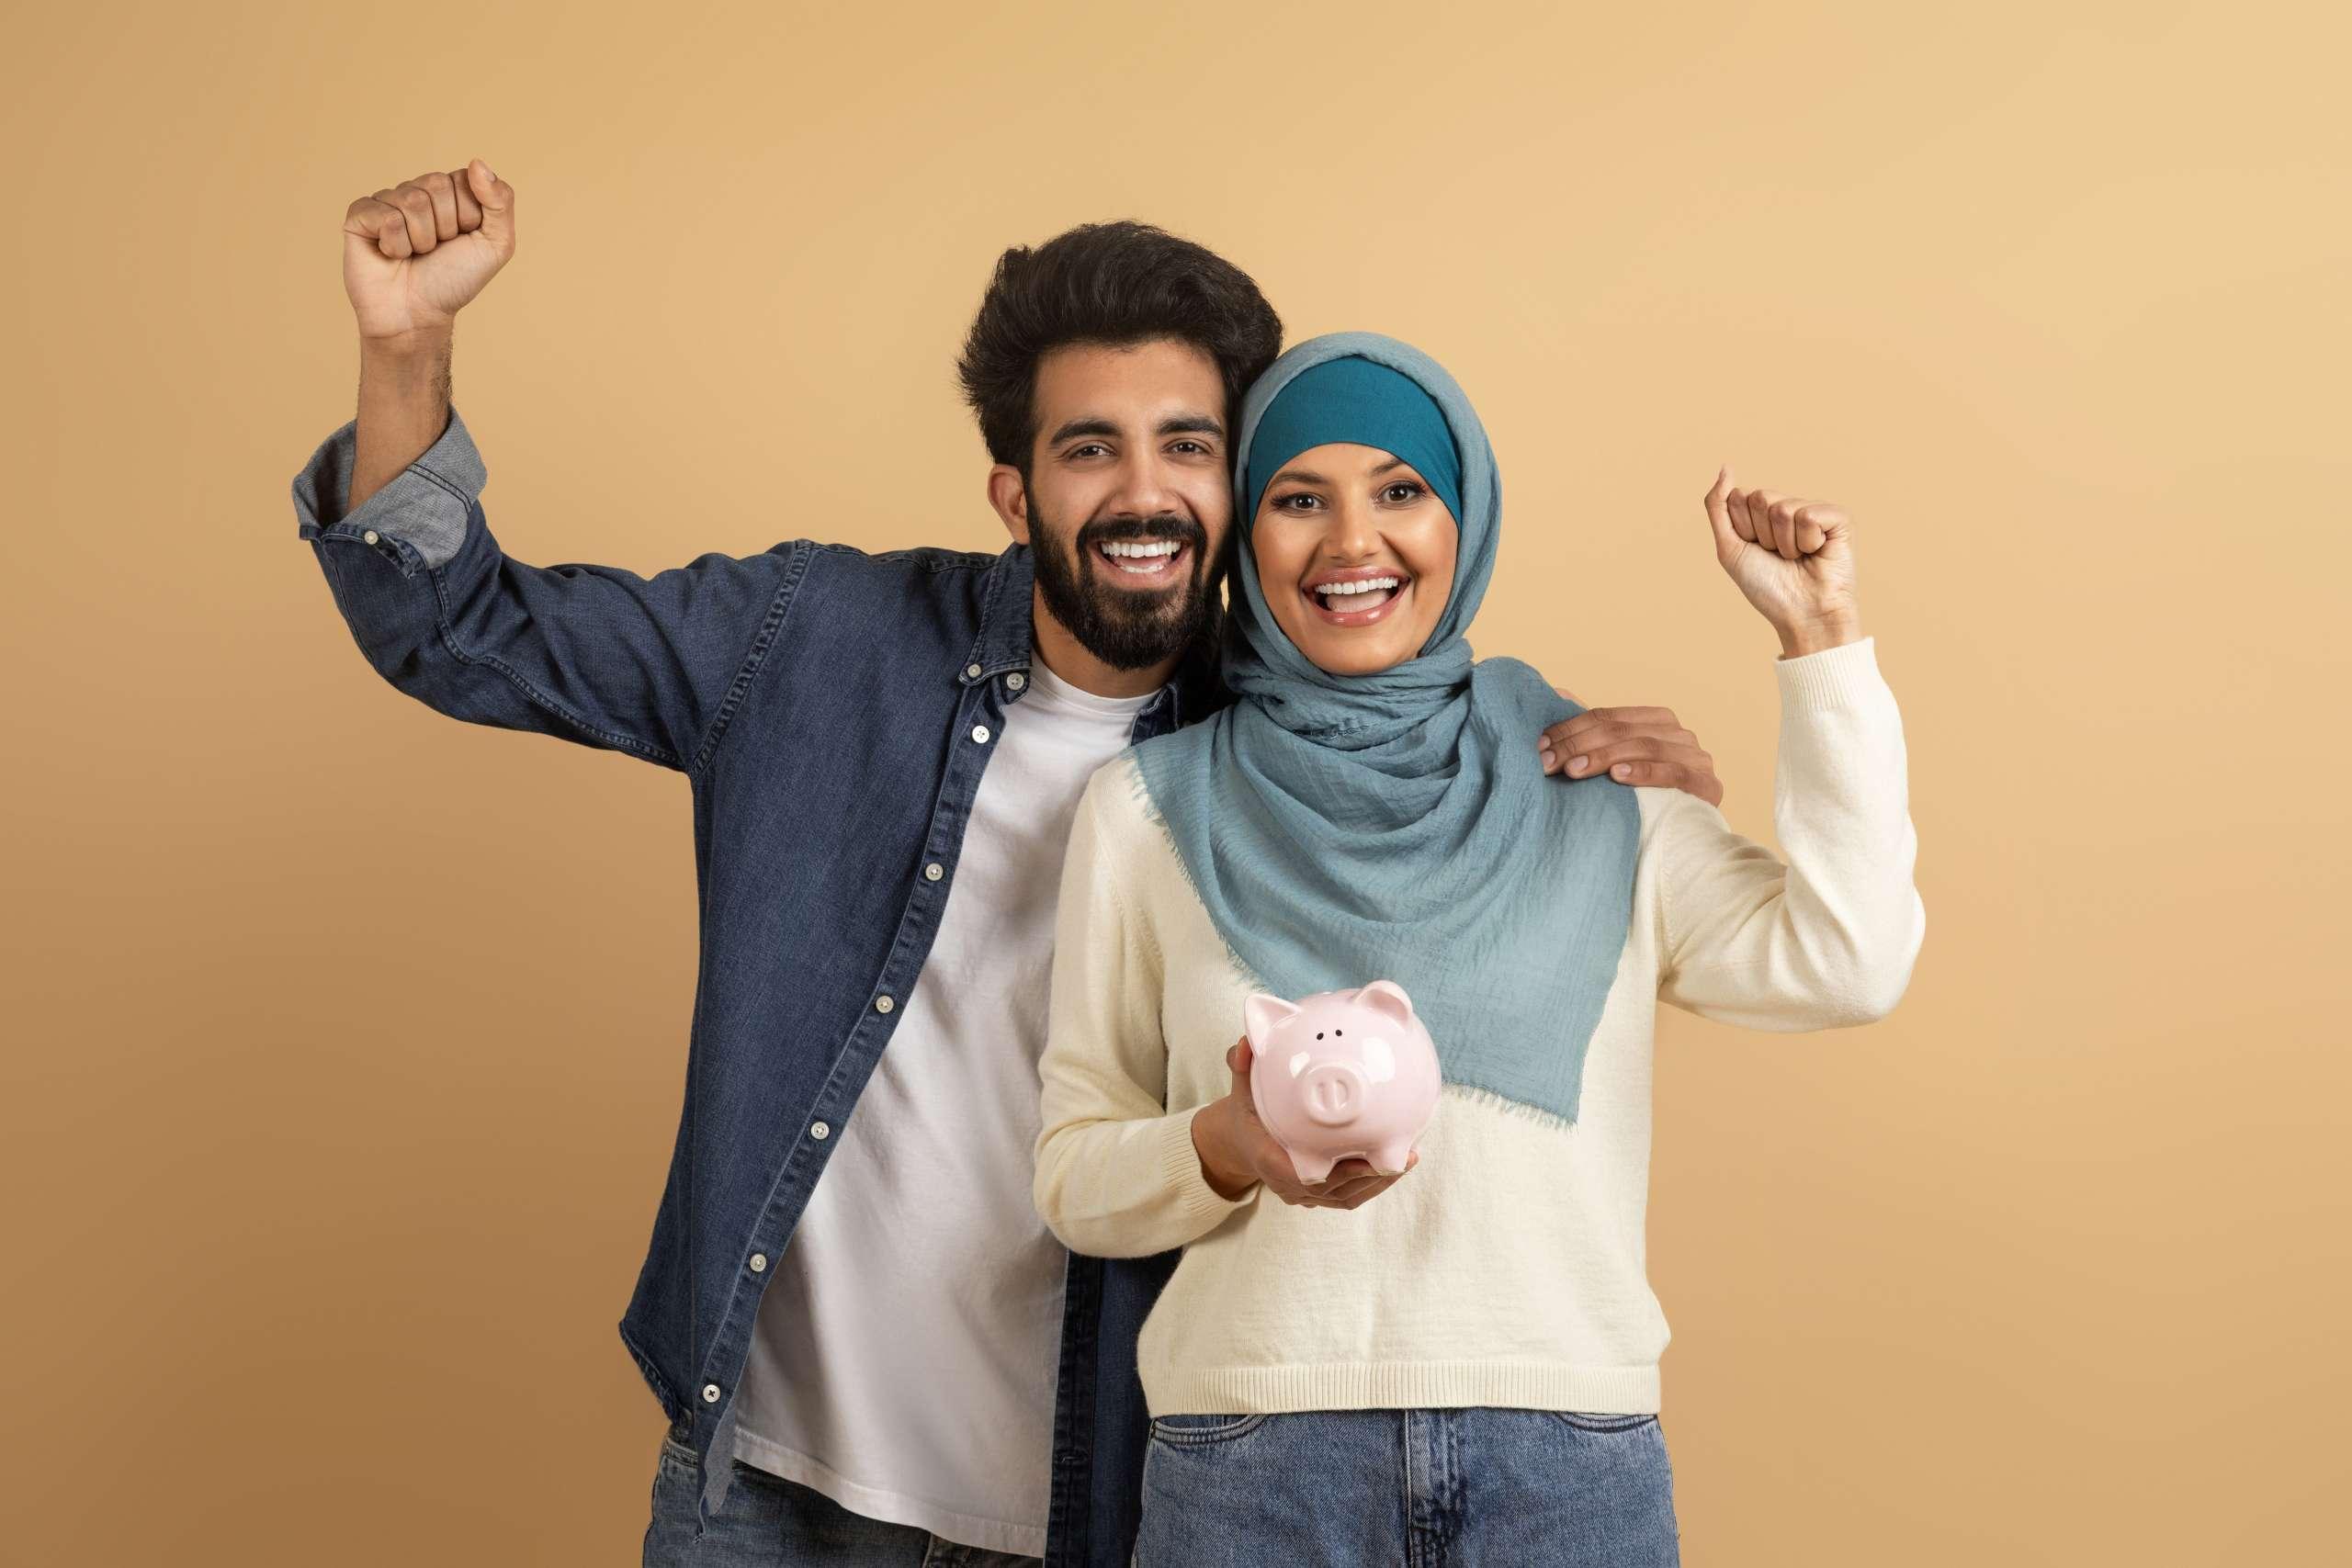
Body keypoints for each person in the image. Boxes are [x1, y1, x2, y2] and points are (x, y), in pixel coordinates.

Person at [291, 159, 1731, 1567]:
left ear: (1248, 486)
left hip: (1103, 1502)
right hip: (768, 1495)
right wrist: (406, 345)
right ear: (1011, 488)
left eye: (1191, 445)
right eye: (1089, 447)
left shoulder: (1315, 747)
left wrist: (1585, 767)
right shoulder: (814, 642)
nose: (1145, 492)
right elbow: (459, 630)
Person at [1033, 332, 1928, 1565]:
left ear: (1466, 521)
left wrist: (1821, 642)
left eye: (1402, 492)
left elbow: (1849, 960)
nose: (1354, 543)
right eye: (1300, 499)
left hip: (1564, 1465)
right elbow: (1073, 1173)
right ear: (1247, 535)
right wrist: (1226, 1146)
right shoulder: (1144, 812)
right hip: (1252, 1471)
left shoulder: (1595, 782)